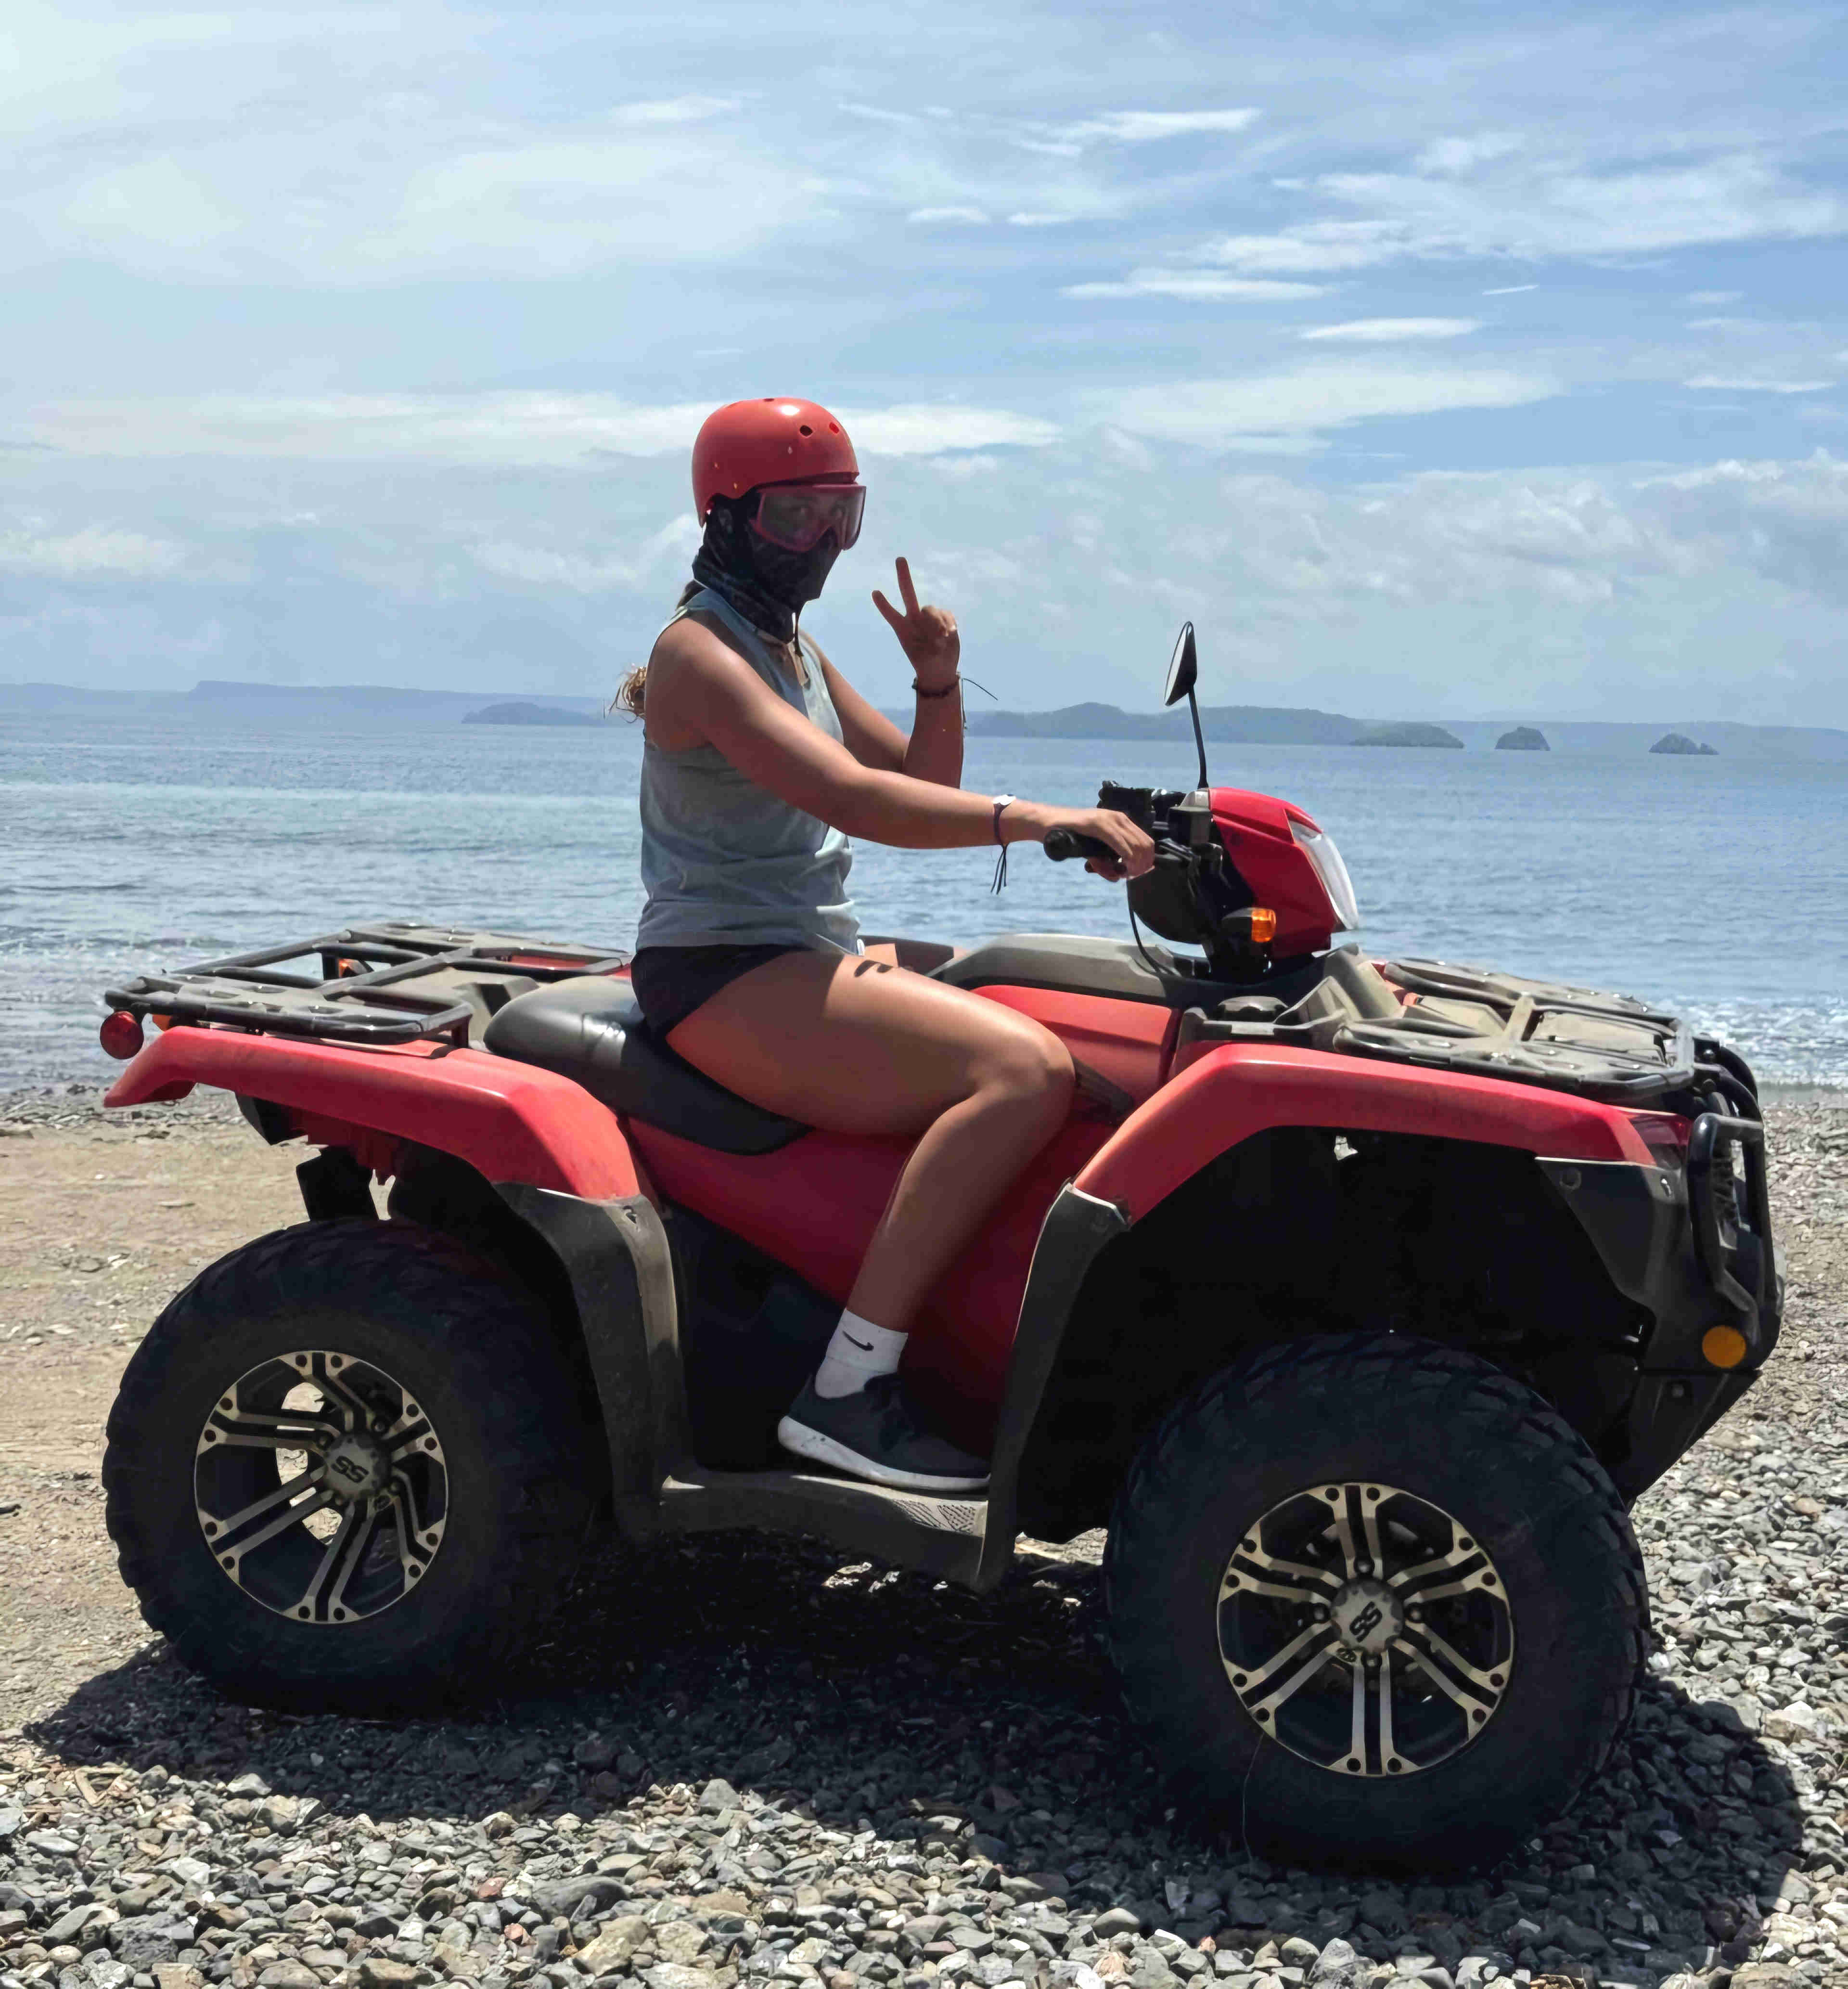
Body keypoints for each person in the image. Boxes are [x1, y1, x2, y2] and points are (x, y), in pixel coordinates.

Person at [619, 396, 1153, 1495]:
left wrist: (937, 677)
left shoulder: (789, 645)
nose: (819, 544)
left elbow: (920, 783)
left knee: (1034, 989)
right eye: (795, 518)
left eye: (840, 516)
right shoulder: (697, 654)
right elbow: (855, 798)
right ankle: (851, 1387)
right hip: (721, 966)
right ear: (725, 518)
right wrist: (1042, 818)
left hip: (802, 944)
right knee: (1022, 1067)